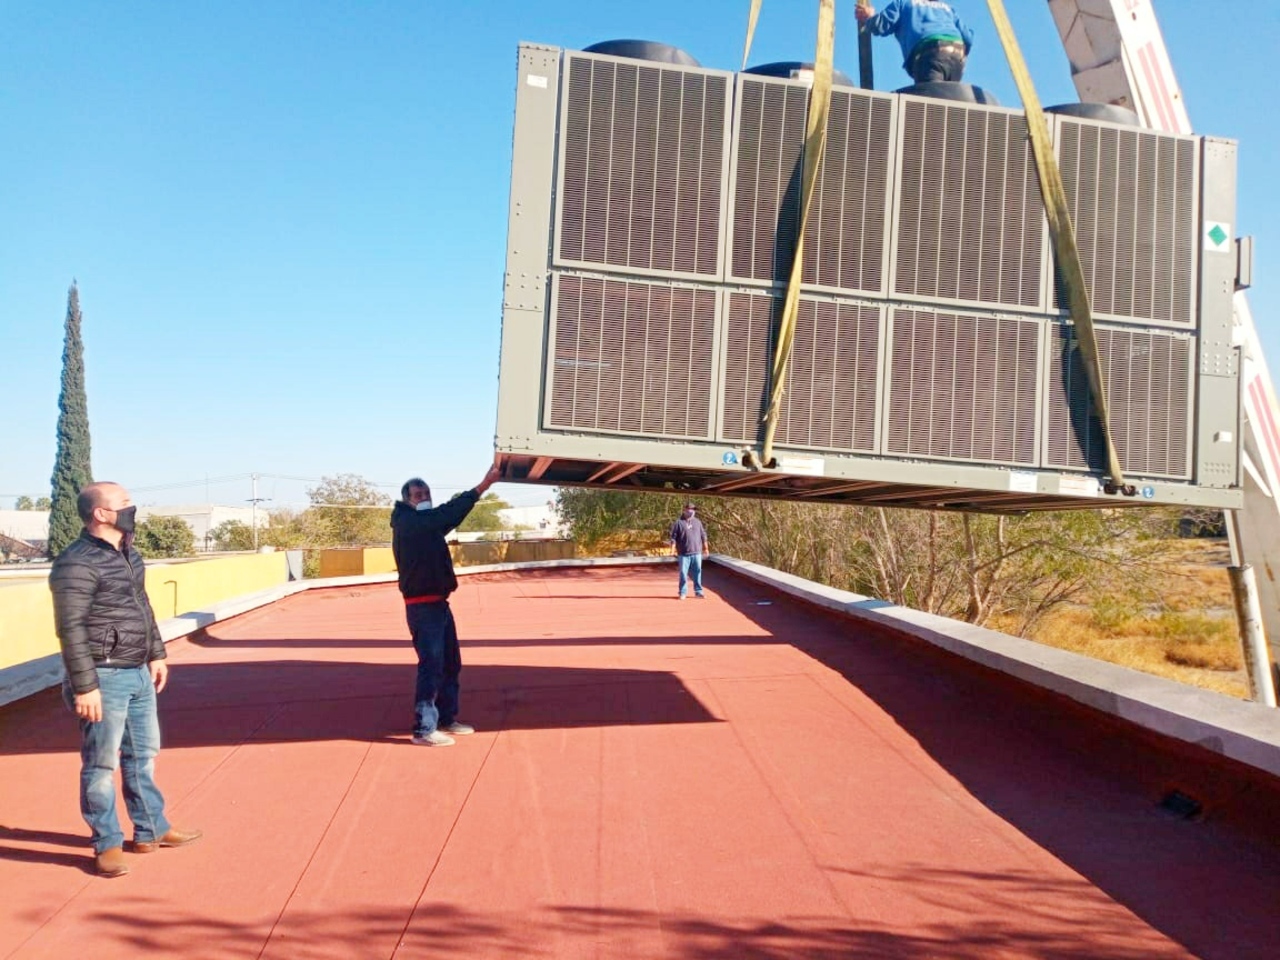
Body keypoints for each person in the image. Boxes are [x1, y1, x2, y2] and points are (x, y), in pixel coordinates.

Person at [49, 482, 202, 878]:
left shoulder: (129, 552)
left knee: (143, 756)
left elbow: (142, 606)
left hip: (136, 671)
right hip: (102, 675)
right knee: (101, 765)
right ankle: (106, 845)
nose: (132, 508)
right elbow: (70, 628)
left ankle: (151, 829)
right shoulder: (75, 562)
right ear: (101, 513)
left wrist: (156, 653)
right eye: (124, 503)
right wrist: (85, 686)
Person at [391, 464, 501, 746]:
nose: (424, 497)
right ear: (406, 500)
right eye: (418, 495)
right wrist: (484, 485)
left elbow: (451, 514)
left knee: (451, 663)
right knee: (431, 665)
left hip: (439, 604)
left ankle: (446, 718)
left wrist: (475, 494)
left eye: (427, 493)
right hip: (422, 607)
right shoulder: (408, 523)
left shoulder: (426, 524)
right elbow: (447, 513)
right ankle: (423, 729)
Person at [856, 1, 974, 84]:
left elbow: (880, 25)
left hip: (930, 54)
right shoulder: (947, 8)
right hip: (957, 54)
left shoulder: (903, 3)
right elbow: (968, 38)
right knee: (949, 101)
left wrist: (869, 17)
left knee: (931, 102)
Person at [669, 503, 710, 600]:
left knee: (698, 572)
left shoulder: (698, 522)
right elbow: (673, 538)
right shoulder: (678, 523)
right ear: (685, 510)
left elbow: (703, 536)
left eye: (693, 509)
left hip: (697, 553)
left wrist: (706, 549)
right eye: (690, 509)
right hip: (684, 554)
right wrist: (672, 550)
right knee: (683, 573)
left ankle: (698, 592)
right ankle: (682, 592)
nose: (692, 511)